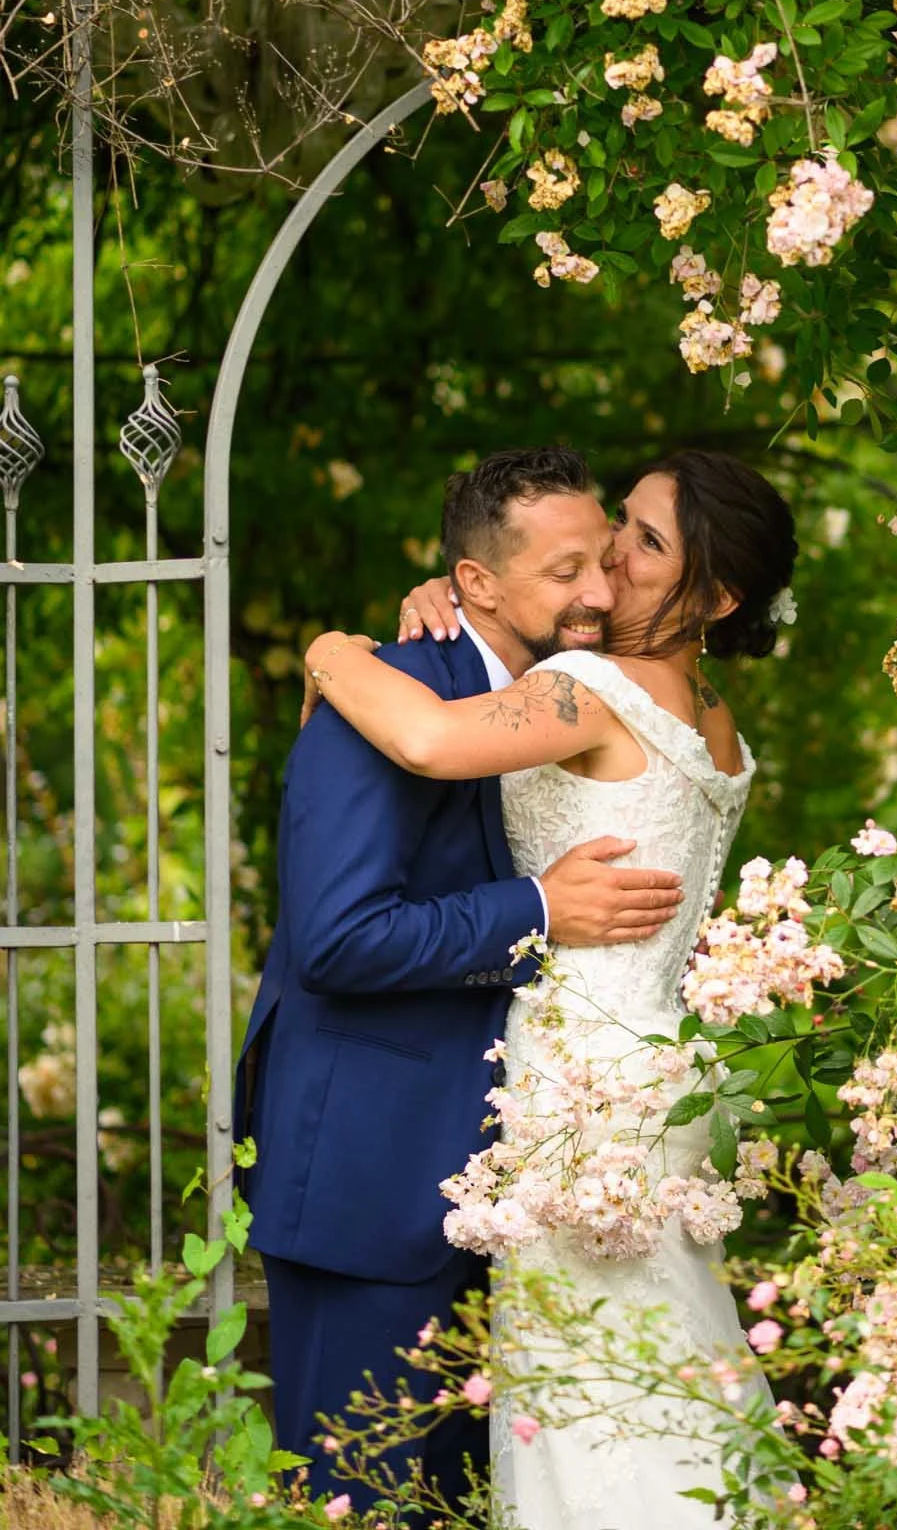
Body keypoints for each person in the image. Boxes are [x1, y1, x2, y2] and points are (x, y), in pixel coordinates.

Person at [302, 448, 798, 1529]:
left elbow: (430, 736)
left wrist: (331, 648)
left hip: (580, 1089)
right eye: (625, 519)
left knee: (585, 1397)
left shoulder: (602, 686)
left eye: (649, 541)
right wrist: (460, 598)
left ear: (713, 595)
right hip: (658, 1069)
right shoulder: (716, 718)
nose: (616, 548)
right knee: (660, 1362)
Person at [235, 448, 688, 1517]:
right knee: (366, 1499)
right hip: (372, 1176)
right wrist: (536, 910)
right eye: (562, 567)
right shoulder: (381, 694)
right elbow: (338, 938)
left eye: (605, 560)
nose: (595, 589)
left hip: (518, 1194)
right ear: (476, 582)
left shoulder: (571, 703)